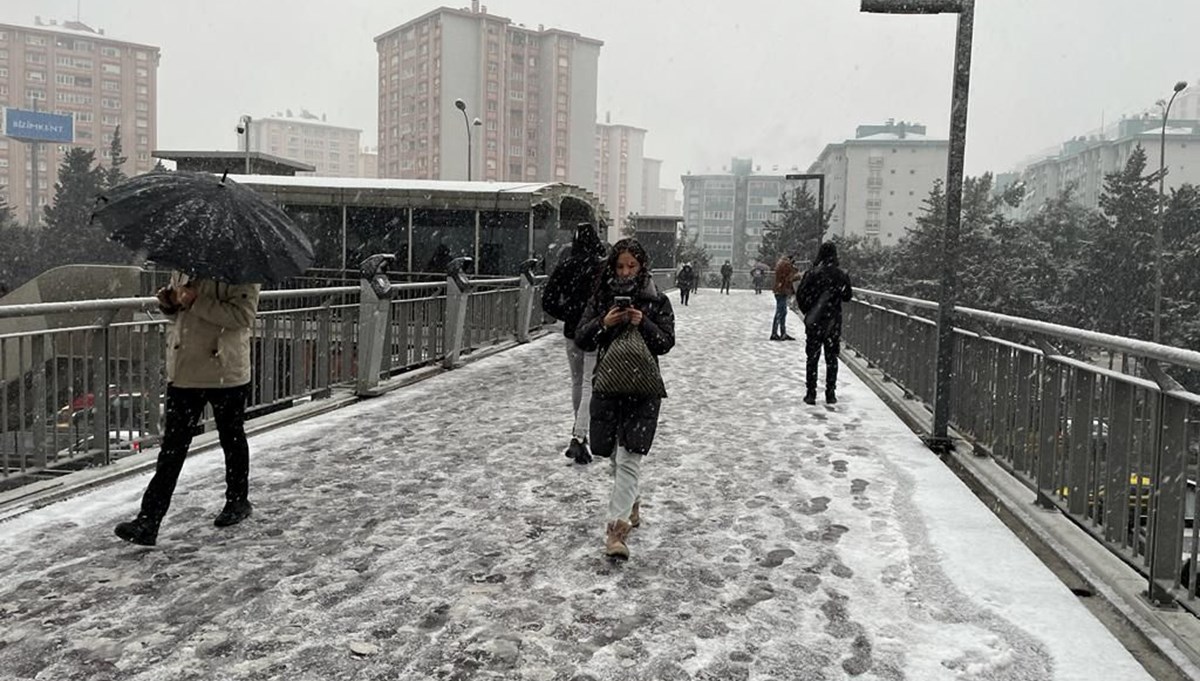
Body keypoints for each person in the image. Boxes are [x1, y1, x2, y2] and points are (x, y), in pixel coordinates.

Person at [114, 272, 261, 546]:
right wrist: (170, 304)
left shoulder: (239, 272)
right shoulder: (184, 268)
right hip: (184, 371)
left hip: (225, 370)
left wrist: (195, 301)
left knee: (231, 437)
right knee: (172, 447)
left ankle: (238, 500)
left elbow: (243, 316)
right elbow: (181, 316)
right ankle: (149, 520)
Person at [575, 238, 675, 560]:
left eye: (632, 265)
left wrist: (642, 322)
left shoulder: (656, 300)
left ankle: (616, 533)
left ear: (642, 266)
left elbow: (666, 343)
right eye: (620, 266)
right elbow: (582, 337)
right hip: (609, 386)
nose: (626, 272)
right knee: (615, 459)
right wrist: (604, 323)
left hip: (643, 388)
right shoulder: (601, 298)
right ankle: (631, 501)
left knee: (630, 456)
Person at [541, 222, 606, 465]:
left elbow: (547, 300)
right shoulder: (600, 267)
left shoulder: (566, 265)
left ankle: (580, 432)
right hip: (595, 330)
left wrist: (567, 313)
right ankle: (580, 434)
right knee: (590, 382)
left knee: (577, 381)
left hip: (572, 331)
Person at [796, 242, 854, 405]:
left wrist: (809, 311)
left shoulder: (812, 273)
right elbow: (847, 296)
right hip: (832, 322)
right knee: (832, 358)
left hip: (815, 321)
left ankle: (811, 393)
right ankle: (830, 393)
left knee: (812, 358)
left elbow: (801, 294)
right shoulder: (841, 274)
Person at [771, 254, 798, 341]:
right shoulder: (786, 265)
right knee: (780, 312)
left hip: (780, 290)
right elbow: (789, 278)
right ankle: (776, 333)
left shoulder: (781, 263)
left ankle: (781, 333)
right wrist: (798, 275)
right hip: (782, 290)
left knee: (782, 312)